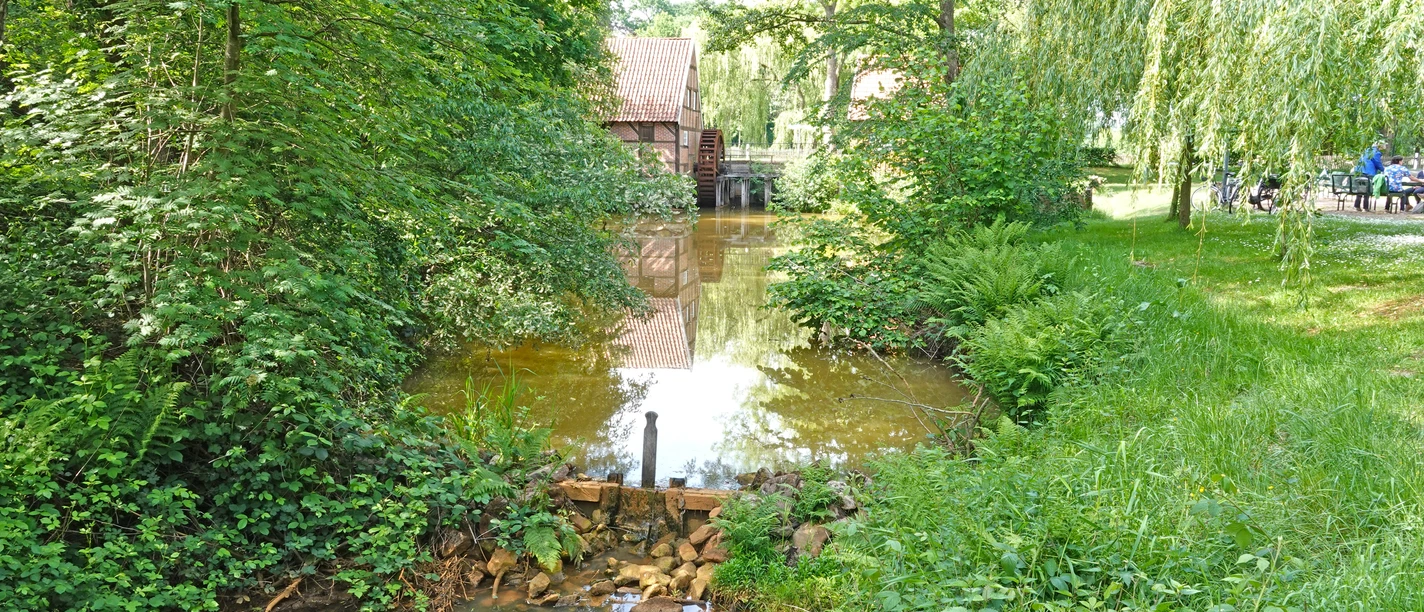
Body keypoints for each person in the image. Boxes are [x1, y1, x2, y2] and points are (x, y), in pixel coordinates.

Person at [1354, 143, 1385, 210]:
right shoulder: (1376, 152)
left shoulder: (1366, 150)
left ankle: (1357, 205)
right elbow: (1377, 163)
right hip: (1369, 172)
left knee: (1360, 188)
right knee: (1367, 189)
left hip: (1360, 171)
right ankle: (1366, 207)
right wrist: (1384, 169)